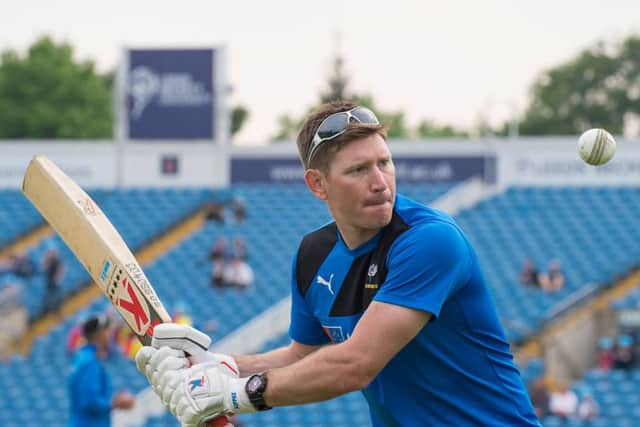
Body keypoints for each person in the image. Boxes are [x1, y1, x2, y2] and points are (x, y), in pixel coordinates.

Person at [135, 101, 540, 426]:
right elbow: (303, 356)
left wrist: (234, 393)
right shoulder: (313, 255)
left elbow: (355, 365)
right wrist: (219, 364)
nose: (380, 181)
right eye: (359, 170)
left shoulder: (430, 241)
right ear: (317, 184)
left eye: (384, 162)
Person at [68, 314, 135, 427]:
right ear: (100, 334)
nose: (110, 334)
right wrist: (115, 403)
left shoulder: (82, 358)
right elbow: (90, 402)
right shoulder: (89, 362)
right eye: (107, 330)